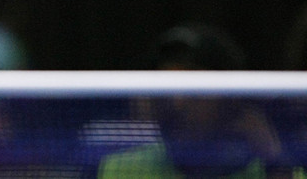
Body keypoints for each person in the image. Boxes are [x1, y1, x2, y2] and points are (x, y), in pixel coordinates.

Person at [97, 22, 301, 178]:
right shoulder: (123, 169)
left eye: (193, 90)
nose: (177, 103)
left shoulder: (277, 171)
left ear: (230, 100)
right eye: (165, 89)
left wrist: (275, 165)